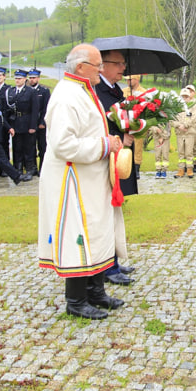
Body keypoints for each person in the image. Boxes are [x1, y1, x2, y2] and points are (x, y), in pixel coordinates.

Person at [37, 44, 125, 320]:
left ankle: (95, 291)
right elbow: (62, 144)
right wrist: (103, 145)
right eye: (96, 65)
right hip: (71, 180)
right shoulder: (65, 96)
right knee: (77, 236)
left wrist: (111, 141)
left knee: (97, 231)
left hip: (90, 176)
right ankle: (76, 300)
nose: (101, 70)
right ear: (79, 67)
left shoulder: (85, 91)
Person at [94, 50, 137, 285]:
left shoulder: (115, 89)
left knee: (114, 212)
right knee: (105, 212)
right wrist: (121, 136)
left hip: (117, 156)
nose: (123, 68)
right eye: (118, 63)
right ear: (102, 66)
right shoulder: (97, 92)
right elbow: (99, 126)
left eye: (124, 63)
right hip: (105, 158)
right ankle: (107, 266)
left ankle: (113, 261)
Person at [9, 69, 39, 180]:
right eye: (16, 78)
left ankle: (30, 169)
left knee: (28, 147)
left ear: (25, 79)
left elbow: (35, 110)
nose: (17, 80)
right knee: (17, 147)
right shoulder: (12, 91)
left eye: (20, 78)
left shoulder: (30, 91)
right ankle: (18, 168)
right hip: (16, 122)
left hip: (27, 122)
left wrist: (32, 126)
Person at [172, 87, 196, 179]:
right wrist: (178, 125)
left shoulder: (193, 106)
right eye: (182, 97)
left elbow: (194, 118)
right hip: (180, 133)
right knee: (181, 153)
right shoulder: (176, 107)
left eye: (186, 97)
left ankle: (189, 169)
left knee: (189, 152)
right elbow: (171, 119)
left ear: (189, 98)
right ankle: (181, 170)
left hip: (189, 133)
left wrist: (185, 125)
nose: (184, 99)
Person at [122, 74, 147, 179]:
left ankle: (136, 169)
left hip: (138, 123)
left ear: (137, 79)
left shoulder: (144, 92)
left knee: (137, 147)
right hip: (125, 122)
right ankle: (125, 168)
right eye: (127, 80)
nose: (128, 82)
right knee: (125, 146)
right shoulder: (123, 91)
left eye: (130, 80)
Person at [28, 68, 50, 174]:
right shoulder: (28, 90)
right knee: (31, 147)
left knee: (42, 147)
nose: (32, 80)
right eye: (30, 78)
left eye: (34, 78)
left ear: (38, 78)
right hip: (31, 123)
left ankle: (43, 168)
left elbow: (46, 108)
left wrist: (42, 122)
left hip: (41, 123)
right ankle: (33, 168)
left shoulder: (44, 91)